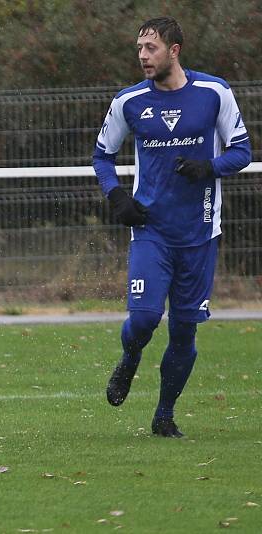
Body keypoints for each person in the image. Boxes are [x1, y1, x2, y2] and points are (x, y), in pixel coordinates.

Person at [93, 17, 251, 437]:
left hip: (200, 233)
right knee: (144, 319)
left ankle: (164, 415)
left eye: (152, 48)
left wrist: (209, 167)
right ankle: (129, 360)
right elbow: (102, 156)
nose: (143, 56)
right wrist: (117, 197)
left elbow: (242, 151)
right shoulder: (129, 101)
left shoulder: (213, 93)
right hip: (152, 231)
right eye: (140, 48)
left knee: (184, 330)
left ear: (174, 50)